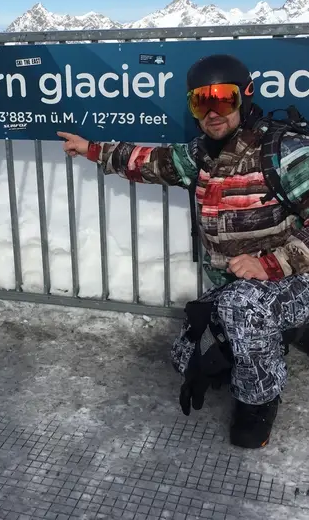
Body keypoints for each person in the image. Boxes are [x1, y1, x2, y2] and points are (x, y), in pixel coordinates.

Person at [57, 53, 309, 450]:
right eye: (200, 102)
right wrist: (92, 150)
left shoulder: (284, 152)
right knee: (188, 352)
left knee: (243, 308)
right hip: (242, 287)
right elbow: (151, 163)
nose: (212, 112)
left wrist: (272, 263)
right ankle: (275, 335)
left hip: (296, 279)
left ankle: (259, 401)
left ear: (245, 97)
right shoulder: (202, 155)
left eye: (222, 99)